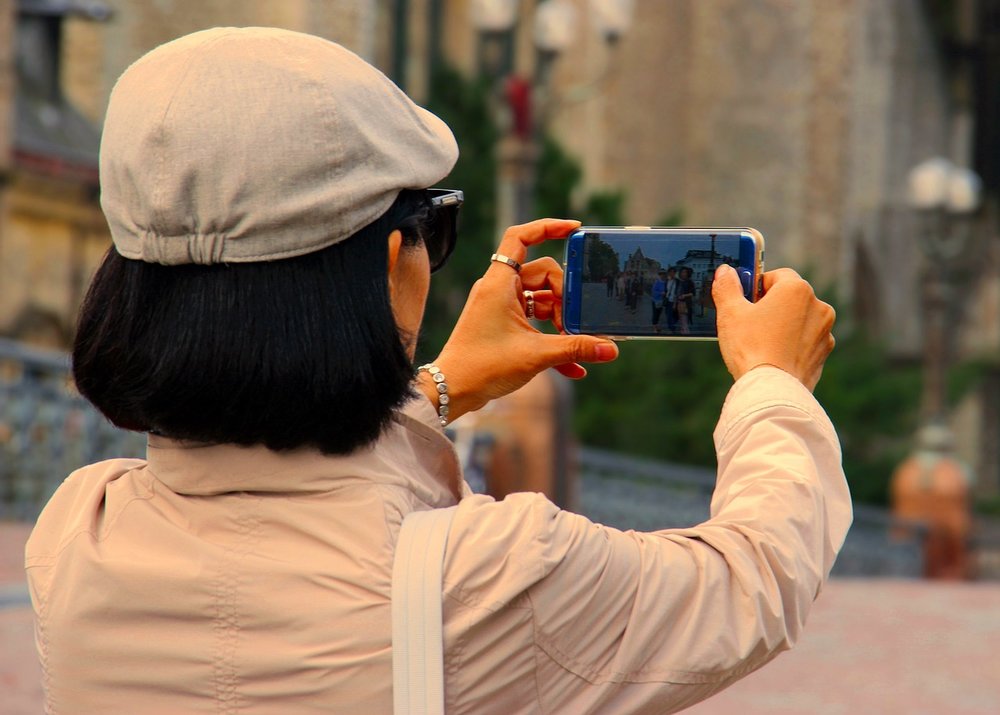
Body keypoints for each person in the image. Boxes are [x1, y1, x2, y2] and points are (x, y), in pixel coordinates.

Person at [25, 28, 850, 714]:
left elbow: (277, 498)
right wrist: (771, 382)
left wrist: (440, 386)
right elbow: (753, 578)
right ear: (393, 260)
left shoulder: (77, 537)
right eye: (432, 226)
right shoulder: (488, 576)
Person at [676, 265, 697, 334]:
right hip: (680, 303)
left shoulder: (689, 282)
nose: (683, 274)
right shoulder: (680, 282)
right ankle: (683, 332)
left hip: (686, 303)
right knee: (681, 320)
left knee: (684, 320)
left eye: (685, 272)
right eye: (682, 272)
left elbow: (693, 293)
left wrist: (684, 295)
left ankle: (686, 333)